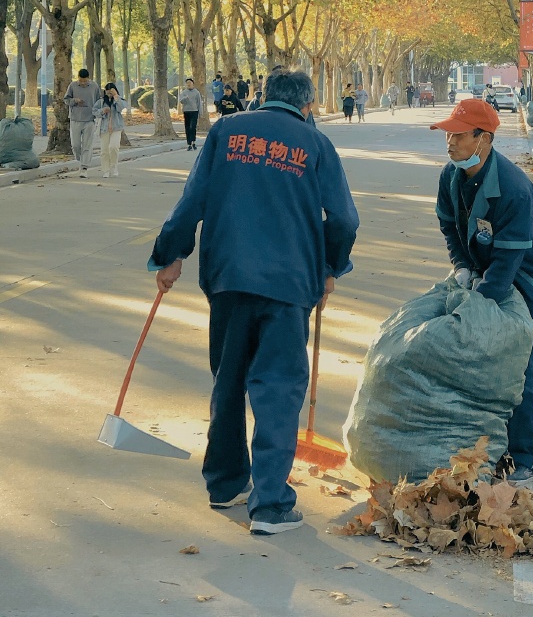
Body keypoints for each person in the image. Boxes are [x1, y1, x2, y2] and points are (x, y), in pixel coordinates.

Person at [148, 70, 359, 536]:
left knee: (228, 380)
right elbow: (343, 218)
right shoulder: (315, 144)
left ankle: (224, 485)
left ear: (264, 98)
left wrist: (170, 255)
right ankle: (270, 506)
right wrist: (330, 268)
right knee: (277, 388)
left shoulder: (225, 130)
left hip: (227, 277)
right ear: (307, 106)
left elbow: (192, 200)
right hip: (288, 285)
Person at [430, 98, 533, 488]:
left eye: (458, 135)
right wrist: (463, 268)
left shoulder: (514, 189)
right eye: (448, 134)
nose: (449, 142)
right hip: (490, 269)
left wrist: (481, 301)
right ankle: (491, 449)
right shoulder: (451, 177)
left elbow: (508, 262)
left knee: (524, 365)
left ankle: (525, 457)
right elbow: (449, 228)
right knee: (485, 360)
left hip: (529, 278)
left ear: (483, 140)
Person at [65, 68, 101, 178]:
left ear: (88, 79)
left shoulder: (94, 86)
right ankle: (80, 159)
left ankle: (84, 167)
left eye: (85, 81)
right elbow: (66, 100)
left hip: (90, 119)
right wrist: (75, 101)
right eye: (81, 81)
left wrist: (97, 112)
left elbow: (99, 101)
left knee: (87, 145)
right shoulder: (72, 86)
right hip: (75, 119)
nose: (83, 83)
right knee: (75, 145)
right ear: (78, 78)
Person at [93, 82, 125, 178]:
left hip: (116, 127)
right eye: (108, 93)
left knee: (114, 147)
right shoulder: (101, 101)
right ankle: (106, 170)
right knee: (104, 150)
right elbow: (94, 111)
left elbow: (120, 108)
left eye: (111, 92)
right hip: (104, 128)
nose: (109, 95)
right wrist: (102, 111)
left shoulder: (119, 100)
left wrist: (116, 97)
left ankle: (114, 166)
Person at [179, 77, 203, 150]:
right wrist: (185, 98)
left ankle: (193, 142)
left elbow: (199, 103)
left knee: (193, 127)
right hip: (186, 111)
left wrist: (200, 113)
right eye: (187, 83)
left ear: (193, 84)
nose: (188, 84)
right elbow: (181, 101)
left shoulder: (196, 92)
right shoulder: (184, 92)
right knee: (187, 128)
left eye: (190, 83)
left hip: (194, 111)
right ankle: (189, 143)